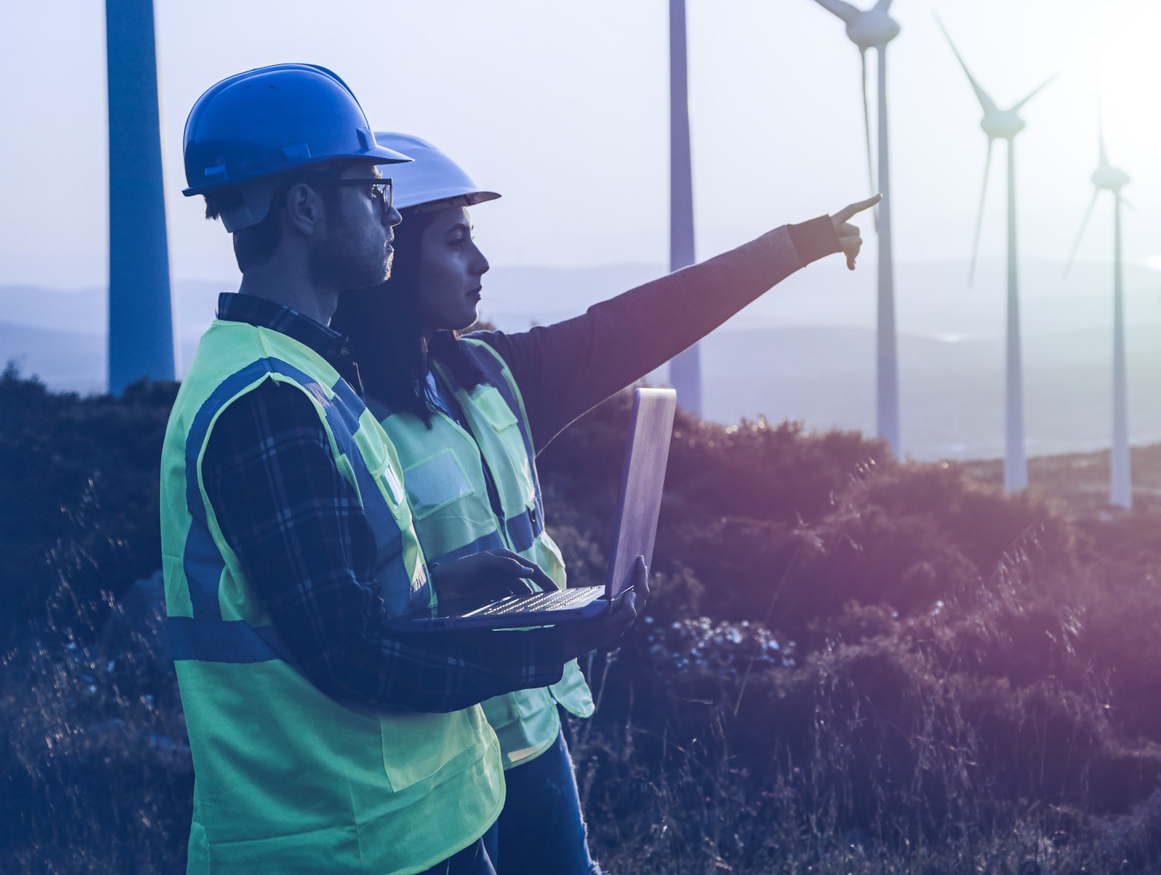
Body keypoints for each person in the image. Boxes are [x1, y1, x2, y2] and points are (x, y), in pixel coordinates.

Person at [330, 132, 878, 874]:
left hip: (530, 731)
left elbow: (640, 322)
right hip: (433, 760)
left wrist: (795, 245)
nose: (480, 262)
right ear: (395, 260)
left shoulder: (492, 377)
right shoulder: (340, 415)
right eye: (456, 241)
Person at [158, 64, 644, 875]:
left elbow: (335, 600)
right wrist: (546, 645)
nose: (391, 205)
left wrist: (452, 586)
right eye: (369, 184)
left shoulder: (307, 375)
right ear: (305, 209)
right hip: (340, 842)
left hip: (406, 825)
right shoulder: (267, 402)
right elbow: (352, 653)